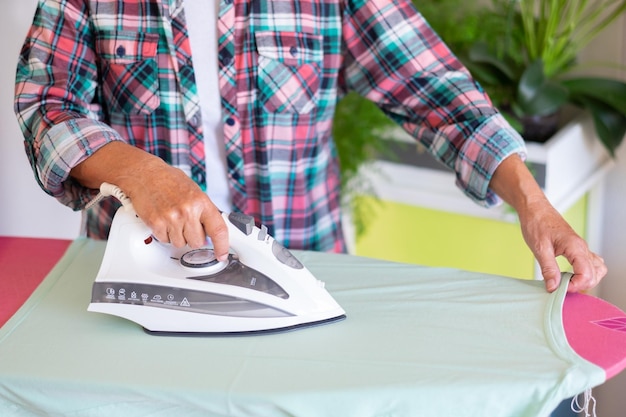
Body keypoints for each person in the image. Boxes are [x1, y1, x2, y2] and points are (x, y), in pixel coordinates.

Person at [15, 0, 606, 293]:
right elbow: (47, 104)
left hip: (302, 274)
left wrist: (533, 203)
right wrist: (142, 173)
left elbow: (435, 89)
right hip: (139, 276)